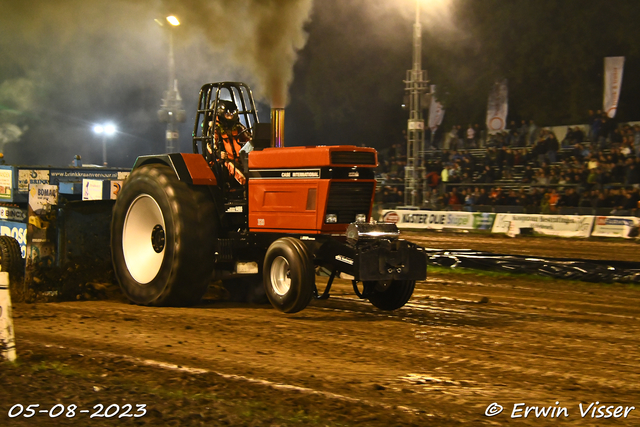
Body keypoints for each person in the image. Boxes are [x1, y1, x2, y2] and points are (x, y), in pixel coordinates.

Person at [206, 100, 253, 186]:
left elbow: (249, 140)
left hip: (241, 160)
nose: (230, 116)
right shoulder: (215, 129)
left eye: (232, 113)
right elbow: (210, 145)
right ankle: (247, 193)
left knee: (254, 173)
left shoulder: (239, 127)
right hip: (224, 161)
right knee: (243, 178)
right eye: (227, 113)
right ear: (221, 113)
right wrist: (218, 153)